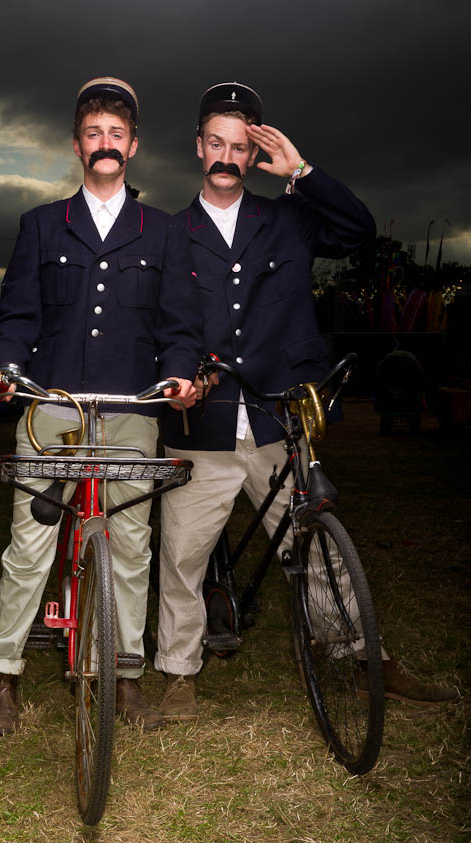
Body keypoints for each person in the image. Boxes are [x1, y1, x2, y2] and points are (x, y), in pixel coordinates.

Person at [156, 82, 459, 719]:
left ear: (253, 153)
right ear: (198, 147)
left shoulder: (288, 218)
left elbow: (360, 232)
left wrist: (302, 173)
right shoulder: (168, 233)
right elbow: (161, 326)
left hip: (278, 415)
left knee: (315, 546)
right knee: (181, 556)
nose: (227, 156)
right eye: (216, 142)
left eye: (240, 146)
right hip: (201, 422)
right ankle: (179, 673)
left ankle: (356, 658)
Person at [0, 77, 202, 734]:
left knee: (131, 543)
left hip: (133, 406)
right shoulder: (43, 225)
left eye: (116, 133)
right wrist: (4, 373)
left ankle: (124, 676)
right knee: (31, 542)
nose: (106, 144)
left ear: (133, 145)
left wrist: (181, 376)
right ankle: (2, 675)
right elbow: (17, 316)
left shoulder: (161, 232)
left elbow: (180, 327)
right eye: (94, 133)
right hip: (54, 404)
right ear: (78, 146)